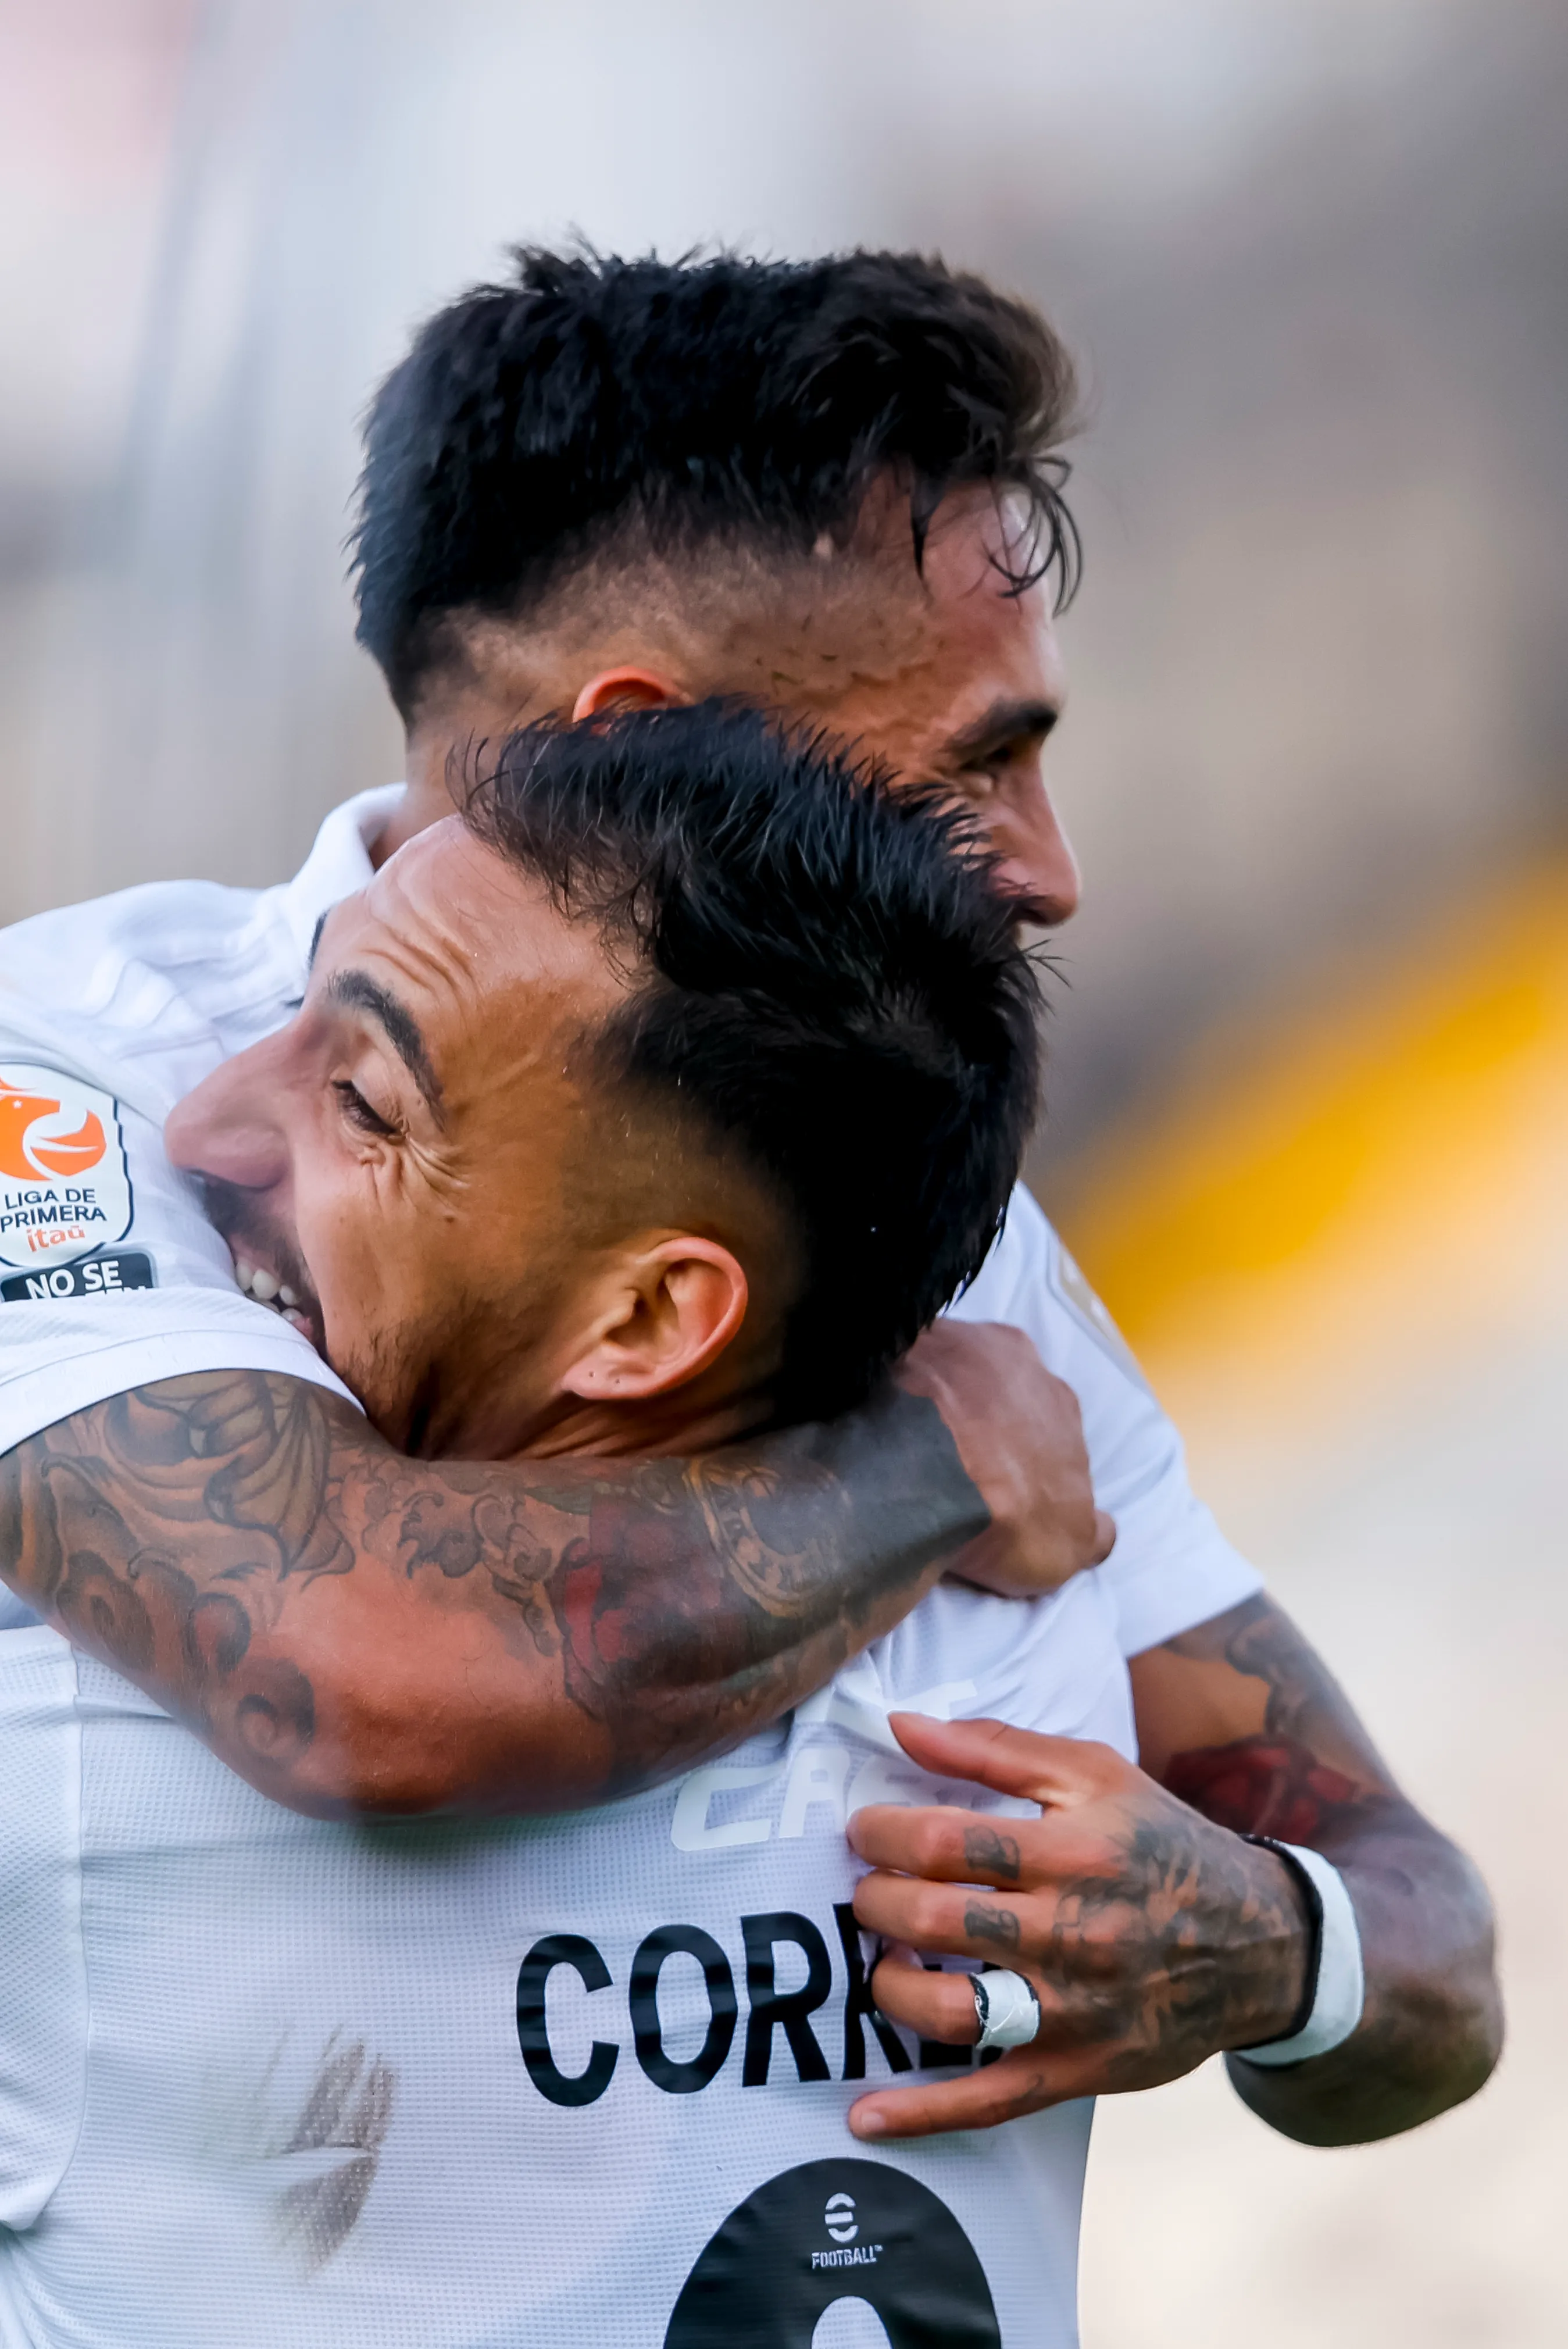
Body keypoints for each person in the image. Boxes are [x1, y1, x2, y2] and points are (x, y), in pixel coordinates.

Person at [0, 250, 1498, 2156]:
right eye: (972, 771)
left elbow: (1426, 1945)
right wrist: (928, 1466)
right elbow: (368, 1676)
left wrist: (1285, 1951)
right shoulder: (63, 1078)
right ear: (631, 737)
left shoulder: (920, 1182)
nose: (1044, 873)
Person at [0, 707, 1133, 2347]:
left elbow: (371, 1667)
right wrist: (1299, 1965)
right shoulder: (1038, 1671)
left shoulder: (93, 1748)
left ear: (650, 1316)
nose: (207, 1131)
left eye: (364, 1105)